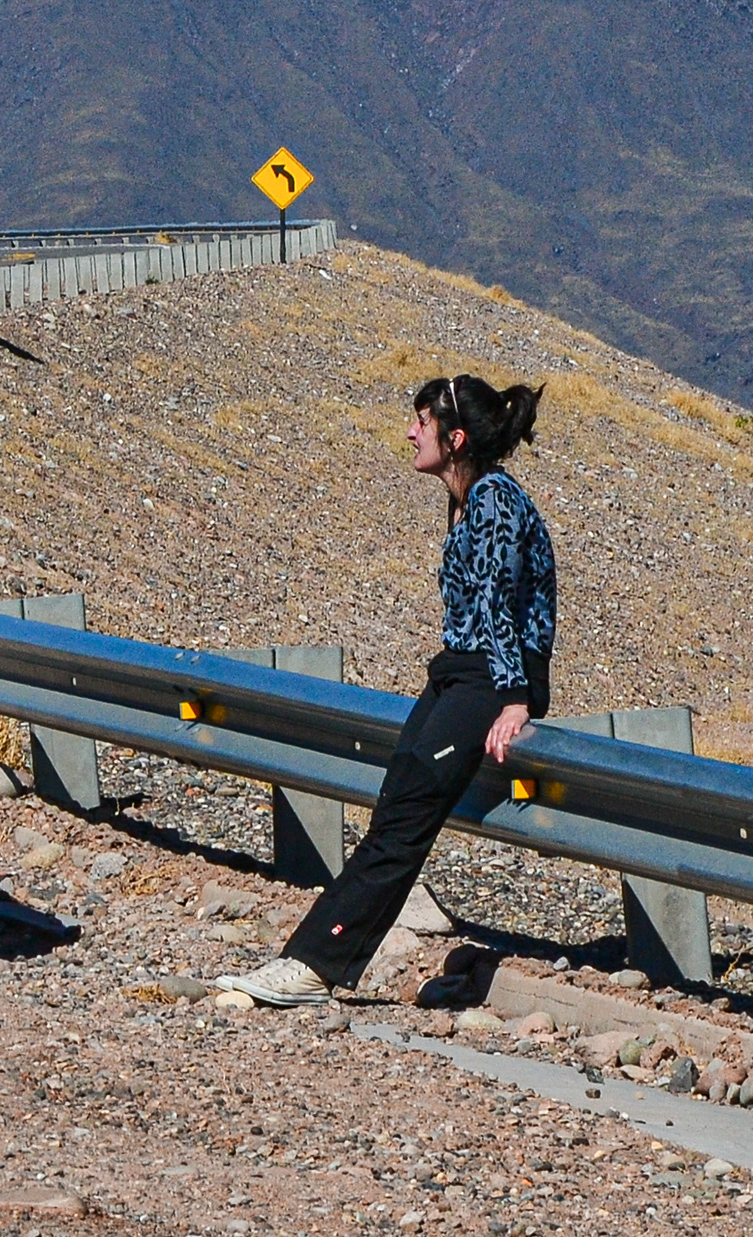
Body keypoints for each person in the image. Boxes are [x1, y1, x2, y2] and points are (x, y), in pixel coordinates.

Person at [217, 372, 553, 1006]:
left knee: (403, 823)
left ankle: (313, 966)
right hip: (460, 670)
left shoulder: (495, 502)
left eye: (420, 422)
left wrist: (514, 699)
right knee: (394, 807)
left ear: (453, 438)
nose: (409, 432)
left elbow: (501, 603)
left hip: (490, 679)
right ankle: (313, 958)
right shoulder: (465, 498)